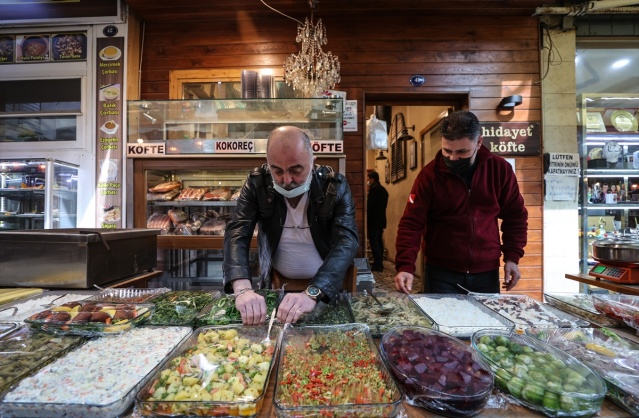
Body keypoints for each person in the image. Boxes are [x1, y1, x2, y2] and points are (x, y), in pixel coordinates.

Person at [223, 126, 359, 325]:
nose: (286, 180)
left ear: (313, 162)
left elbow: (346, 242)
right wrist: (242, 287)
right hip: (276, 282)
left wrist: (313, 292)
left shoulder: (335, 187)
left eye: (296, 170)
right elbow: (237, 231)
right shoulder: (257, 183)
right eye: (277, 171)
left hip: (324, 287)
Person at [394, 110, 528, 294]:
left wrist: (512, 257)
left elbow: (516, 217)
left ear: (479, 142)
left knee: (485, 323)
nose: (453, 158)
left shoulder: (500, 170)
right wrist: (405, 265)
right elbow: (411, 223)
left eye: (462, 151)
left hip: (486, 272)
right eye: (447, 150)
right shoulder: (429, 175)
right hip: (440, 271)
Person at [366, 171, 388, 272]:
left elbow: (370, 207)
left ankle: (378, 264)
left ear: (372, 179)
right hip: (381, 219)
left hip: (374, 220)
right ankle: (379, 262)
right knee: (379, 240)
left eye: (369, 179)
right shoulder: (383, 190)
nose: (368, 181)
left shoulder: (373, 190)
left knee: (374, 241)